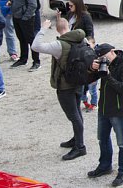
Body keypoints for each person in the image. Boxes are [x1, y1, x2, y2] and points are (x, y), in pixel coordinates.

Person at [33, 16, 89, 160]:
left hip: (65, 85)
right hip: (79, 81)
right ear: (69, 27)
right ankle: (77, 139)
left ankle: (80, 147)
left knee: (73, 116)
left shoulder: (58, 45)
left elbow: (35, 46)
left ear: (57, 29)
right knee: (77, 112)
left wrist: (43, 28)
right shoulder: (82, 39)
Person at [87, 44, 123, 187]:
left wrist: (108, 76)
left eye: (104, 57)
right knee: (102, 138)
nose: (103, 60)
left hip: (118, 111)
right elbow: (88, 80)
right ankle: (104, 166)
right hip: (103, 109)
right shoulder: (104, 65)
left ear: (112, 52)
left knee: (122, 142)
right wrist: (92, 69)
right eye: (100, 58)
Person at [66, 0, 97, 110]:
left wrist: (89, 45)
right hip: (71, 45)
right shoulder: (70, 15)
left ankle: (85, 97)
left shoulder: (85, 16)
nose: (69, 8)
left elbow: (90, 33)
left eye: (71, 5)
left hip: (82, 47)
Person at [8, 0, 39, 70]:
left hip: (26, 17)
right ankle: (23, 59)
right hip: (16, 16)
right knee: (21, 38)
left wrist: (26, 17)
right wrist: (11, 2)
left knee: (31, 40)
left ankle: (36, 61)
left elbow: (33, 4)